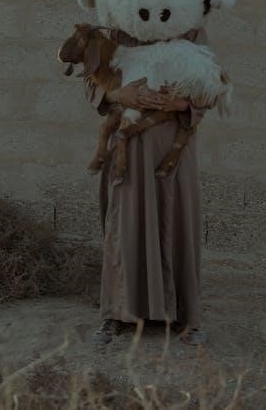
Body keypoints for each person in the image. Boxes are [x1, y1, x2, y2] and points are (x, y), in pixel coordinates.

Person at [84, 27, 209, 346]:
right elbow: (92, 81)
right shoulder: (117, 27)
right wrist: (119, 95)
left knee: (175, 223)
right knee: (124, 225)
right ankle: (116, 314)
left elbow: (211, 84)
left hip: (174, 150)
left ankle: (185, 318)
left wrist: (179, 103)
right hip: (128, 151)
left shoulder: (190, 29)